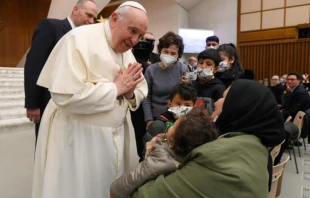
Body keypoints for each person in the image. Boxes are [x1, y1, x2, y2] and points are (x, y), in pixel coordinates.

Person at [32, 2, 148, 198]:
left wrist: (129, 93)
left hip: (114, 137)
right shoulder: (78, 39)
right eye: (132, 31)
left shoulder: (125, 50)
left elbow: (139, 87)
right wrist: (116, 88)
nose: (134, 40)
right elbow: (65, 95)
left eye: (140, 35)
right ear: (114, 20)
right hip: (78, 137)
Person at [129, 79, 285, 198]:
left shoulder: (217, 156)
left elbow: (144, 194)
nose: (216, 101)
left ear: (240, 107)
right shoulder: (254, 146)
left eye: (225, 97)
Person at [24, 0, 98, 145]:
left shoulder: (86, 39)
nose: (91, 21)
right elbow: (34, 65)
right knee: (46, 145)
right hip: (48, 101)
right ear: (75, 10)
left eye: (94, 18)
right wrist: (33, 103)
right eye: (88, 15)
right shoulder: (50, 27)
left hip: (73, 105)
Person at [110, 108, 219, 198]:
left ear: (171, 142)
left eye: (174, 125)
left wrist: (115, 190)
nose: (170, 126)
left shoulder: (161, 160)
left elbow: (135, 176)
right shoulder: (196, 161)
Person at [143, 31, 189, 129]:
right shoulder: (151, 70)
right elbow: (146, 98)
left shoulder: (184, 69)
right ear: (160, 51)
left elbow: (189, 97)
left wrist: (186, 86)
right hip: (156, 119)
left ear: (178, 55)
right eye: (166, 52)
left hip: (177, 118)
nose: (169, 55)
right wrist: (149, 120)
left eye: (173, 53)